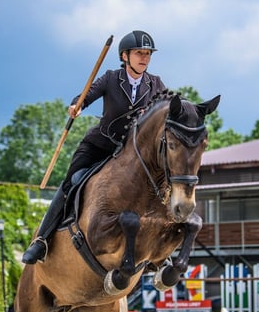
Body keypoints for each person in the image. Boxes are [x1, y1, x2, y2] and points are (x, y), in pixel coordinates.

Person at [22, 30, 168, 264]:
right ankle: (42, 239)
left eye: (148, 54)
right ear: (124, 56)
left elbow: (165, 110)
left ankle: (159, 247)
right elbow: (86, 96)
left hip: (132, 154)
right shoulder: (111, 78)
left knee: (157, 187)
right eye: (139, 53)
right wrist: (76, 106)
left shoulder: (156, 84)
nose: (145, 58)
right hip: (101, 146)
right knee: (72, 181)